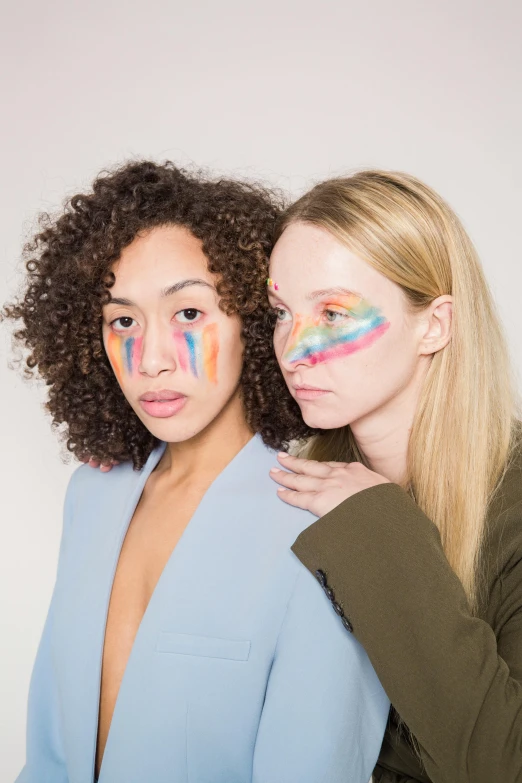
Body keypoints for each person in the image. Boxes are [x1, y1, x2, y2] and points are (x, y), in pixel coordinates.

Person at [3, 161, 389, 783]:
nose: (151, 359)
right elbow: (53, 746)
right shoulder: (93, 494)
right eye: (122, 321)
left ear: (254, 321)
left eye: (188, 314)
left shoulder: (324, 521)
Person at [266, 170, 522, 783]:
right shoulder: (291, 487)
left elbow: (500, 767)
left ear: (433, 325)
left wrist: (379, 529)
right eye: (280, 313)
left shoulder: (511, 505)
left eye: (332, 312)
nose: (294, 348)